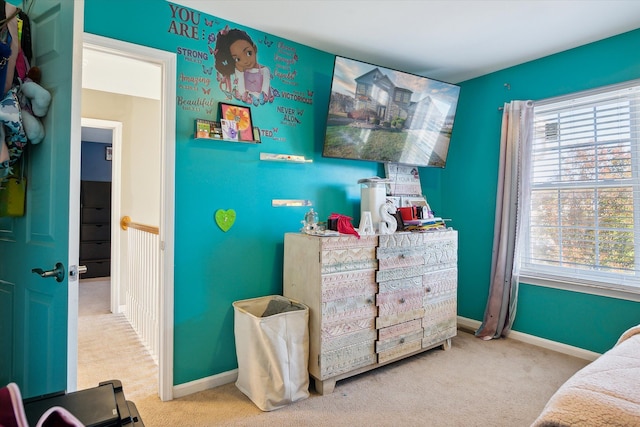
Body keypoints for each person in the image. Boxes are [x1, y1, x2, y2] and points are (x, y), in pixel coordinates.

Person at [213, 27, 273, 105]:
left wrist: (264, 94)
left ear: (254, 49)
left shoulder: (264, 70)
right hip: (248, 99)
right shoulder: (240, 72)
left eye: (248, 53)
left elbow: (265, 88)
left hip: (258, 99)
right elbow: (241, 89)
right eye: (237, 59)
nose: (245, 61)